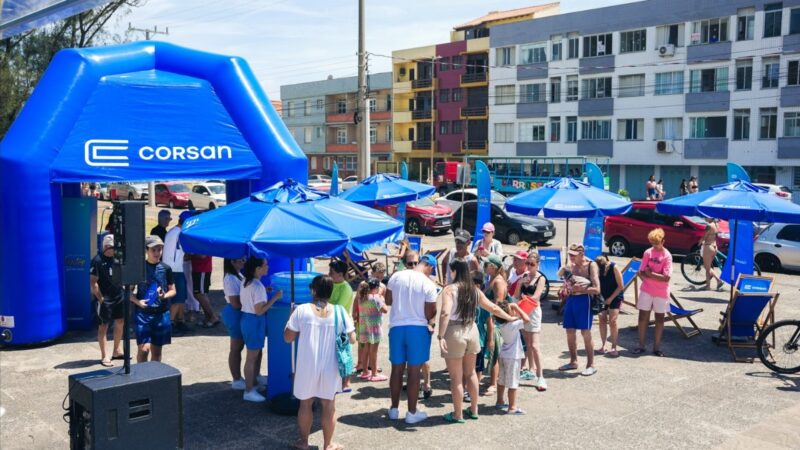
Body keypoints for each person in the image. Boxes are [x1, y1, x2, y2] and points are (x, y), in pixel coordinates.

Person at [437, 260, 513, 423]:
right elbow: (493, 308)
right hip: (472, 330)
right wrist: (509, 317)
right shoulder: (474, 290)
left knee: (456, 378)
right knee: (471, 373)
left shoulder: (449, 290)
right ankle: (474, 409)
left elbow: (444, 313)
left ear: (455, 272)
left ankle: (458, 414)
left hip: (454, 331)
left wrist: (440, 335)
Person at [284, 275, 354, 450]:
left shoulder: (301, 310)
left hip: (307, 365)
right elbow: (352, 339)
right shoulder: (340, 312)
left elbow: (288, 337)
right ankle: (328, 444)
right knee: (328, 404)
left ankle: (304, 442)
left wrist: (291, 319)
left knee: (305, 404)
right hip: (331, 366)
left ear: (313, 291)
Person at [385, 250, 438, 424]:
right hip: (417, 328)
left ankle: (394, 409)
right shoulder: (428, 284)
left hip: (397, 327)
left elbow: (388, 300)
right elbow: (431, 312)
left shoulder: (396, 276)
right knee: (414, 372)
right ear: (428, 266)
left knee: (396, 369)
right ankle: (412, 412)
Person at [240, 257, 282, 402]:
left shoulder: (248, 282)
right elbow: (259, 310)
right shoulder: (257, 286)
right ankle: (248, 391)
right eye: (265, 265)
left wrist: (265, 291)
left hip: (248, 320)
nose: (268, 267)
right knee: (251, 358)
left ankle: (253, 383)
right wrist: (275, 298)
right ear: (257, 269)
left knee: (255, 354)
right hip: (254, 321)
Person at [558, 243, 600, 376]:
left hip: (584, 300)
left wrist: (582, 289)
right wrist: (565, 289)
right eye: (570, 254)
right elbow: (565, 283)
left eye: (573, 255)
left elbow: (597, 289)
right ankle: (573, 361)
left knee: (585, 332)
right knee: (569, 331)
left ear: (582, 254)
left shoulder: (591, 265)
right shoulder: (570, 265)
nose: (571, 257)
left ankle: (591, 364)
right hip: (571, 300)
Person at [132, 236, 176, 363]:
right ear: (146, 250)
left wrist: (164, 296)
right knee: (144, 349)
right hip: (143, 314)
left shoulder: (166, 268)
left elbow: (173, 290)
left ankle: (155, 378)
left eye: (159, 250)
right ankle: (140, 376)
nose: (157, 253)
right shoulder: (139, 268)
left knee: (156, 352)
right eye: (153, 250)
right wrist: (137, 302)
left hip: (161, 314)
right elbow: (128, 292)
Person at [634, 228, 672, 357]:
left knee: (659, 319)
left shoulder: (667, 255)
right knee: (642, 317)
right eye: (652, 243)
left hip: (661, 292)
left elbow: (666, 277)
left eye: (657, 243)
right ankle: (641, 345)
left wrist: (650, 274)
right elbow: (641, 271)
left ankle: (656, 348)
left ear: (663, 241)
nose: (655, 246)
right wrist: (653, 276)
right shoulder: (648, 252)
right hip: (647, 289)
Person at [512, 252, 547, 390]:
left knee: (535, 346)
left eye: (532, 264)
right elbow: (515, 296)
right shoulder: (525, 277)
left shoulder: (541, 278)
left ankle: (541, 377)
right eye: (527, 263)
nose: (529, 266)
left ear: (538, 264)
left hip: (532, 313)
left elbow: (536, 297)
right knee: (527, 343)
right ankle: (530, 370)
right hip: (523, 311)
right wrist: (520, 283)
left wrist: (524, 299)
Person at [89, 234, 125, 367]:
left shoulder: (118, 259)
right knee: (103, 326)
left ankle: (116, 350)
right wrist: (101, 299)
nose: (114, 250)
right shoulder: (97, 261)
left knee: (120, 322)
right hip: (104, 299)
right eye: (112, 247)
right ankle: (104, 356)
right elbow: (93, 282)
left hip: (118, 296)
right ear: (106, 247)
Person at [494, 301, 531, 415]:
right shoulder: (513, 324)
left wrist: (512, 311)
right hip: (513, 356)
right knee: (513, 383)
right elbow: (527, 319)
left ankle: (500, 400)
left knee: (502, 380)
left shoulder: (501, 325)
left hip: (504, 354)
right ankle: (512, 407)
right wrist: (517, 307)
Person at [481, 254, 507, 395]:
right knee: (489, 352)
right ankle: (492, 379)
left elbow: (498, 304)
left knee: (494, 352)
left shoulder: (498, 282)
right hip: (487, 319)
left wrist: (492, 323)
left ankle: (493, 383)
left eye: (487, 265)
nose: (484, 267)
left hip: (493, 321)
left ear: (493, 267)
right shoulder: (491, 279)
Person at [163, 211, 192, 334]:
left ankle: (179, 320)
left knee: (181, 298)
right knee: (178, 299)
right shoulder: (179, 233)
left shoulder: (172, 232)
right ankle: (168, 324)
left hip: (174, 268)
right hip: (174, 269)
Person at [328, 260, 354, 391]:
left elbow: (339, 307)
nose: (329, 274)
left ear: (340, 274)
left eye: (331, 272)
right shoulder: (331, 284)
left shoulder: (346, 288)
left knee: (344, 353)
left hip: (343, 325)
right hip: (332, 323)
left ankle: (346, 382)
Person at [355, 278, 388, 382]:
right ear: (376, 288)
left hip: (364, 327)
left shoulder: (361, 297)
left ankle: (365, 372)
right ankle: (374, 373)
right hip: (374, 329)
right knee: (373, 352)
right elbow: (385, 310)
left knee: (365, 350)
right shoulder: (376, 298)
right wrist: (382, 299)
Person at [222, 258, 247, 390]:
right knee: (236, 347)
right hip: (234, 313)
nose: (244, 261)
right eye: (241, 260)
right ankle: (236, 379)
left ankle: (239, 377)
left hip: (238, 312)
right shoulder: (230, 278)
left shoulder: (238, 274)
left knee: (239, 346)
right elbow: (235, 303)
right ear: (232, 261)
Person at [595, 255, 624, 357]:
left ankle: (614, 347)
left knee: (613, 321)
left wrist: (611, 299)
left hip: (615, 296)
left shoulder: (614, 267)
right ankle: (603, 345)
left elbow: (621, 286)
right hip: (602, 295)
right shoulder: (596, 268)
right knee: (602, 319)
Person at [189, 251, 220, 327]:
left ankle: (213, 317)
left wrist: (190, 254)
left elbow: (203, 255)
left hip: (202, 269)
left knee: (200, 294)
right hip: (199, 269)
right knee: (198, 294)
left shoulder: (203, 240)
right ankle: (207, 317)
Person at [701, 217, 724, 291]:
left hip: (708, 247)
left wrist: (699, 242)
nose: (704, 218)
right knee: (707, 266)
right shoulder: (716, 224)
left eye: (705, 217)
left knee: (707, 269)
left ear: (710, 217)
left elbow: (704, 237)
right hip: (714, 246)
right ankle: (718, 281)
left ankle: (708, 286)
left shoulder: (709, 226)